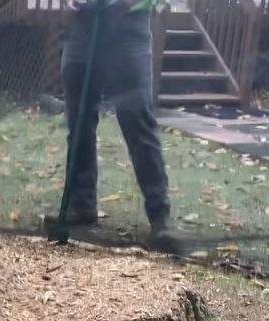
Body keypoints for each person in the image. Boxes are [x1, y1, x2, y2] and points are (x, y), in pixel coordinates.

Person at [45, 0, 186, 255]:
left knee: (137, 120)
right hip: (83, 25)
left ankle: (160, 217)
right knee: (79, 123)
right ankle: (80, 206)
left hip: (128, 24)